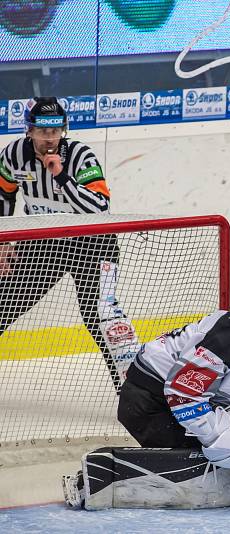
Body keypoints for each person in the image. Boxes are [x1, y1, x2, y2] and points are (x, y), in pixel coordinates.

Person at [62, 310, 230, 509]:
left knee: (229, 456)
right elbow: (181, 393)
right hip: (148, 396)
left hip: (183, 397)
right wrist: (216, 440)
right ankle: (94, 480)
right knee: (201, 458)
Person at [0, 96, 138, 390]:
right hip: (44, 242)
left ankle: (134, 391)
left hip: (93, 244)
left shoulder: (80, 155)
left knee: (101, 314)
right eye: (42, 131)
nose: (49, 138)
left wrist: (61, 175)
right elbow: (3, 194)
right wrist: (3, 241)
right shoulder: (13, 155)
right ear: (29, 130)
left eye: (55, 131)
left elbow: (100, 207)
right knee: (4, 302)